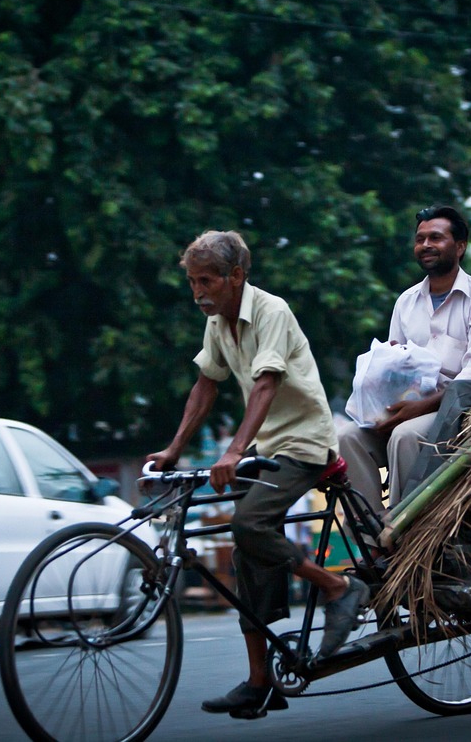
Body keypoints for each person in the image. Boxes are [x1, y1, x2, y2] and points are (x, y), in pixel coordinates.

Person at [148, 230, 369, 720]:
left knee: (251, 524)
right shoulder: (218, 323)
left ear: (236, 277)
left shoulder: (271, 311)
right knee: (246, 548)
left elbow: (266, 384)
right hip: (267, 447)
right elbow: (205, 386)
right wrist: (173, 449)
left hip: (305, 443)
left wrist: (234, 449)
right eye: (191, 282)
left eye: (206, 281)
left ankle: (336, 587)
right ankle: (260, 680)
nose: (197, 292)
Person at [336, 205, 471, 514]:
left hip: (461, 418)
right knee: (346, 436)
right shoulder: (406, 301)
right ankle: (370, 530)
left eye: (436, 238)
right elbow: (393, 366)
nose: (426, 245)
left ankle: (402, 529)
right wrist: (379, 406)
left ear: (460, 246)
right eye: (420, 239)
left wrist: (417, 408)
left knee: (404, 435)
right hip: (407, 410)